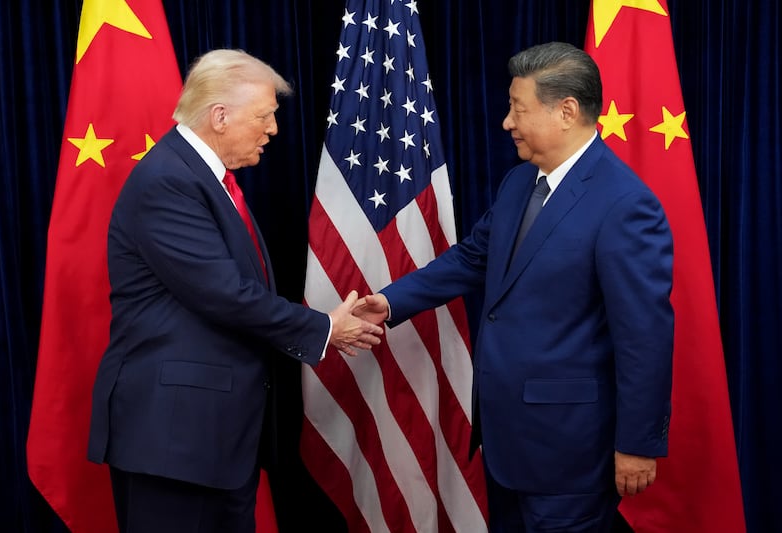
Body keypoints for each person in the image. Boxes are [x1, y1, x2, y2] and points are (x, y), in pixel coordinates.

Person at [354, 42, 674, 532]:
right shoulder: (520, 182)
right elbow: (472, 257)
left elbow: (644, 338)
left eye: (518, 109)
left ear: (566, 111)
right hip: (507, 441)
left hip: (569, 450)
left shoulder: (625, 204)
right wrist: (390, 301)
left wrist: (637, 444)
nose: (507, 122)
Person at [87, 49, 383, 533]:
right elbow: (226, 295)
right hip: (174, 442)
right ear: (220, 116)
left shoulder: (204, 179)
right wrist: (326, 328)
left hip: (215, 441)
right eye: (264, 116)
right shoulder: (168, 181)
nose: (273, 130)